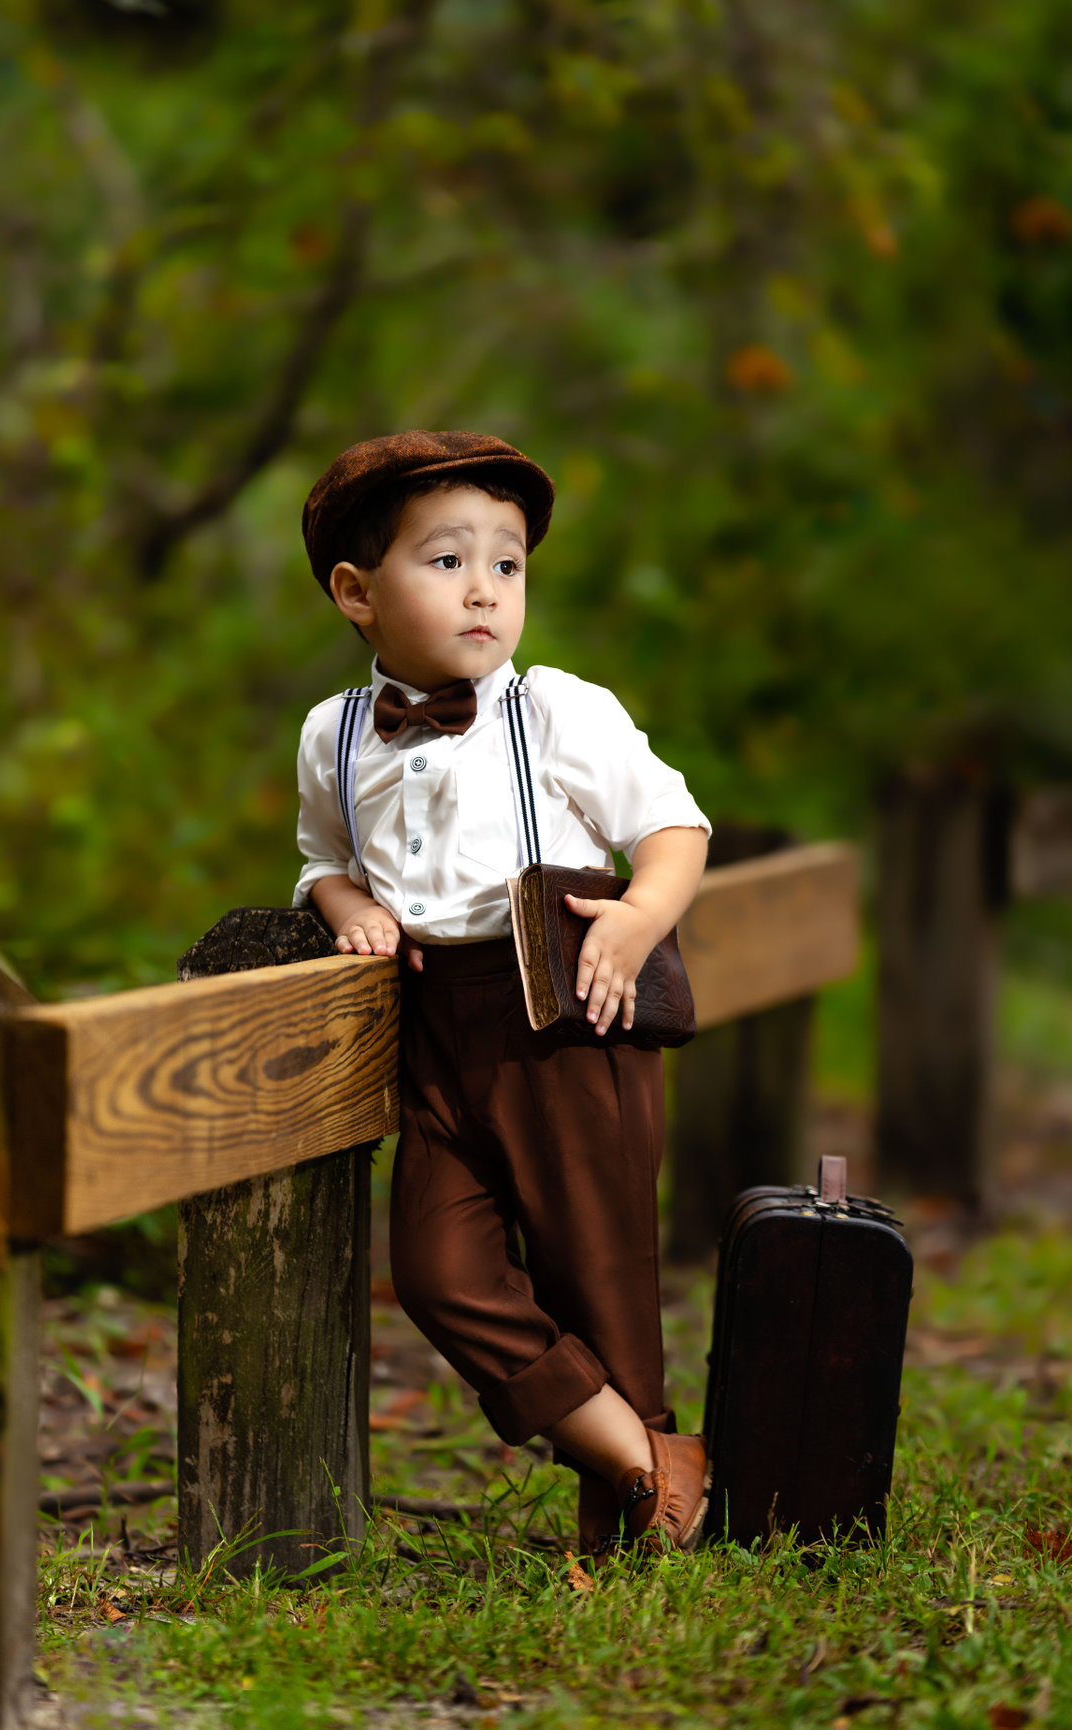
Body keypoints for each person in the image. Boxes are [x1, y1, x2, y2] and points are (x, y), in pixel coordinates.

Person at [294, 430, 712, 1559]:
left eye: (508, 563)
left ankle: (630, 1507)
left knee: (597, 1272)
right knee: (439, 1272)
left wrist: (637, 917)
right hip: (434, 1029)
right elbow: (322, 858)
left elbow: (673, 827)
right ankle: (650, 1458)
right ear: (357, 592)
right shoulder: (334, 733)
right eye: (446, 561)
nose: (484, 587)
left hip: (567, 1013)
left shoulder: (559, 711)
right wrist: (348, 906)